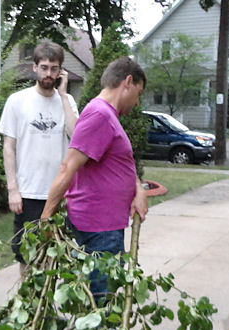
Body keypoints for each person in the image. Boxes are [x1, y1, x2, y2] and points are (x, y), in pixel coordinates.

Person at [40, 56, 148, 302]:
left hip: (105, 227)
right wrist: (46, 218)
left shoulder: (106, 115)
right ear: (127, 82)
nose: (137, 101)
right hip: (99, 231)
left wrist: (138, 191)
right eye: (138, 93)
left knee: (101, 307)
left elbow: (118, 162)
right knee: (99, 309)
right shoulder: (100, 115)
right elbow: (68, 166)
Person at [0, 40, 79, 275]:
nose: (49, 73)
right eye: (44, 67)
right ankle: (29, 307)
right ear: (35, 67)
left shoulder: (68, 102)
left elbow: (76, 137)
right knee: (27, 255)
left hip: (60, 193)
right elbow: (8, 147)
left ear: (61, 71)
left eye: (54, 68)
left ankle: (49, 309)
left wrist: (64, 96)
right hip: (29, 193)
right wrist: (13, 189)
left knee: (56, 254)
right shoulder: (17, 101)